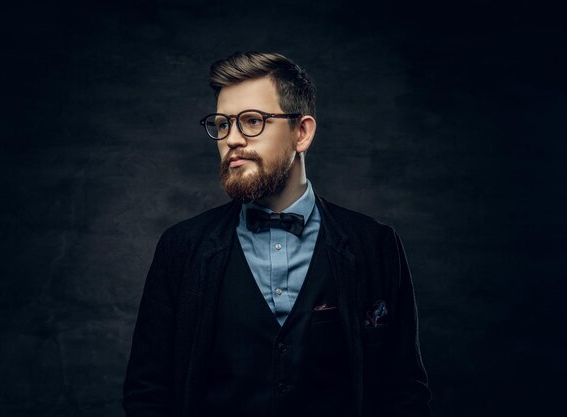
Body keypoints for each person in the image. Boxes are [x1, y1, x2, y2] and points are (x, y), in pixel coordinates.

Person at [122, 51, 432, 417]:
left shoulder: (375, 246)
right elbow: (148, 393)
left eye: (252, 121)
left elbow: (404, 391)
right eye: (223, 124)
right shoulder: (181, 248)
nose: (232, 139)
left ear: (302, 133)